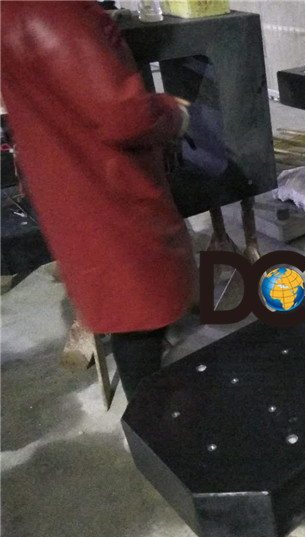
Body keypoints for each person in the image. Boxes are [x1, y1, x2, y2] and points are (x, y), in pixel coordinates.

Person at [1, 1, 196, 401]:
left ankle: (150, 414)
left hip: (67, 177)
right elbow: (120, 114)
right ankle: (152, 422)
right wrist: (169, 112)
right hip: (106, 186)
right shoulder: (58, 10)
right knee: (140, 311)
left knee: (128, 305)